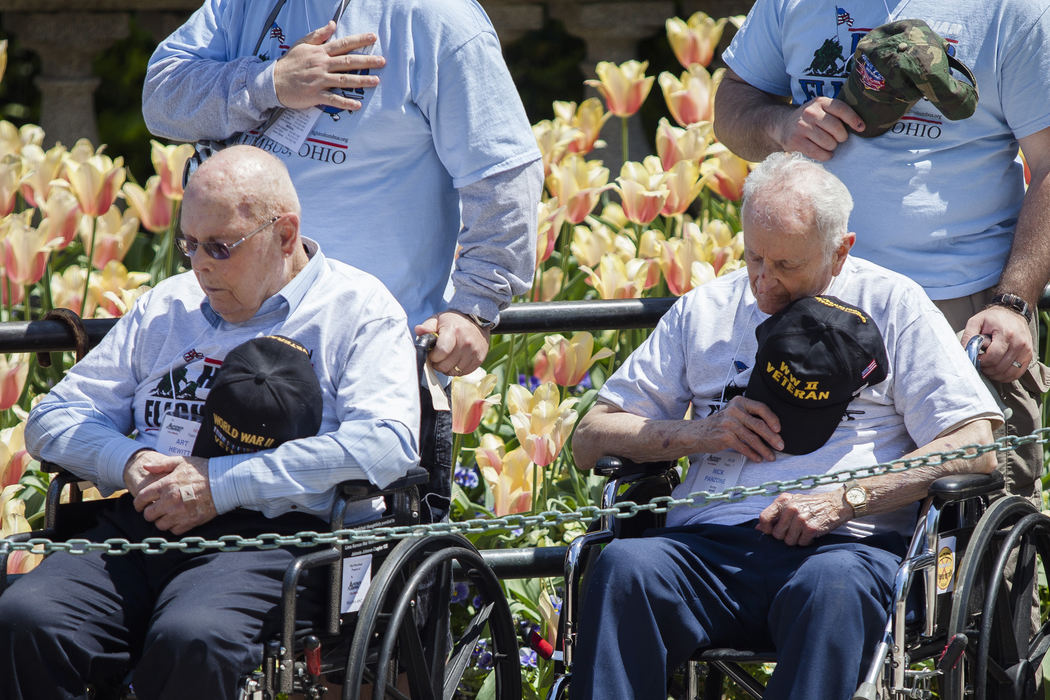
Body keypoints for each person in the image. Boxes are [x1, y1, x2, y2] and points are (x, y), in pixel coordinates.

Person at [568, 152, 1002, 699]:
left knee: (833, 588)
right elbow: (590, 436)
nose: (763, 284)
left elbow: (975, 445)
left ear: (840, 251)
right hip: (707, 547)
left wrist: (845, 499)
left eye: (787, 267)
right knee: (625, 567)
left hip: (845, 549)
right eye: (754, 257)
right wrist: (700, 434)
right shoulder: (704, 310)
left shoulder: (894, 305)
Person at [0, 145, 422, 699]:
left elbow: (386, 443)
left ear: (285, 235)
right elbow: (53, 417)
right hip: (147, 517)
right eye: (189, 245)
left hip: (276, 536)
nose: (200, 265)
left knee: (192, 639)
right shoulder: (167, 307)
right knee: (26, 617)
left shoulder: (357, 309)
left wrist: (221, 484)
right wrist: (127, 461)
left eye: (220, 248)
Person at [142, 0, 544, 526]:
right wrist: (267, 84)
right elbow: (161, 99)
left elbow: (504, 173)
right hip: (218, 348)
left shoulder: (437, 17)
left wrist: (475, 306)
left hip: (351, 367)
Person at [711, 0, 1050, 500]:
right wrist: (780, 127)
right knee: (801, 510)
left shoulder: (1012, 8)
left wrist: (1014, 302)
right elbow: (731, 107)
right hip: (811, 302)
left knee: (978, 508)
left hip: (960, 309)